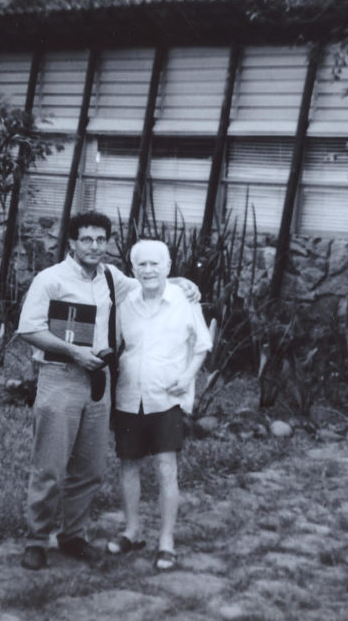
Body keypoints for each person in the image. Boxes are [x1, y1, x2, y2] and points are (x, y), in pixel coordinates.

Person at [16, 212, 198, 570]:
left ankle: (73, 537)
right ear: (71, 242)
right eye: (86, 239)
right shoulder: (50, 280)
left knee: (90, 467)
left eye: (101, 240)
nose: (94, 247)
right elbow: (28, 329)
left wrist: (180, 280)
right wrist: (72, 352)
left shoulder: (113, 278)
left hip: (100, 382)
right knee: (50, 466)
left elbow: (148, 282)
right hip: (61, 376)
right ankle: (37, 540)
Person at [105, 239, 211, 571]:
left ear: (167, 267)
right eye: (141, 264)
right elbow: (116, 344)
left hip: (166, 397)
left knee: (167, 469)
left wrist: (188, 377)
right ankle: (132, 530)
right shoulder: (125, 301)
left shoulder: (184, 299)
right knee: (129, 465)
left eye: (155, 264)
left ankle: (166, 540)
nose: (148, 270)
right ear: (132, 269)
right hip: (128, 397)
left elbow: (202, 345)